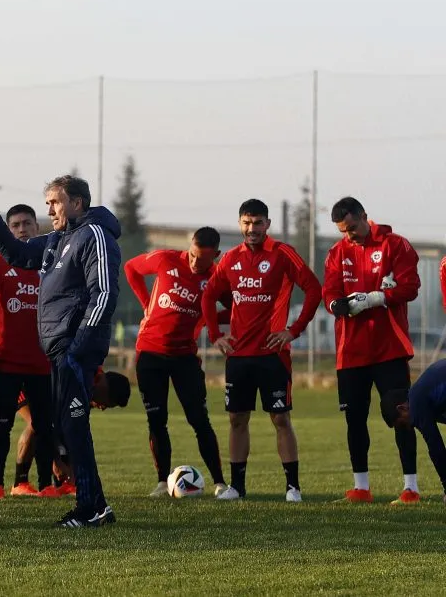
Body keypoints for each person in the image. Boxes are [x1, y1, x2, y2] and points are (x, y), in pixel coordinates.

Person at [0, 174, 126, 527]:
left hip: (76, 349)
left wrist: (79, 344)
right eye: (48, 203)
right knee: (70, 427)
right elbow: (18, 253)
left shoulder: (95, 236)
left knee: (73, 426)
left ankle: (90, 508)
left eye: (55, 202)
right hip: (59, 350)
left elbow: (103, 293)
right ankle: (97, 507)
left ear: (77, 203)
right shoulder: (60, 238)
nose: (50, 209)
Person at [202, 199, 321, 503]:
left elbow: (313, 288)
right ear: (240, 223)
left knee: (280, 419)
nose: (251, 229)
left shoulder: (282, 254)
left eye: (257, 223)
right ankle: (237, 487)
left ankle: (293, 487)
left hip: (273, 355)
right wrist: (216, 335)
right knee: (237, 420)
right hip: (239, 356)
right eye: (246, 222)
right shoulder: (230, 259)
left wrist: (293, 331)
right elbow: (208, 296)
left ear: (267, 224)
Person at [324, 196, 421, 504]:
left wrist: (376, 298)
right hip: (350, 353)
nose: (349, 235)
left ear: (365, 216)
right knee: (354, 419)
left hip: (389, 349)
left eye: (352, 227)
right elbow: (329, 291)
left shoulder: (396, 245)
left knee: (401, 415)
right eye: (343, 230)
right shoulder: (336, 253)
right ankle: (361, 488)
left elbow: (410, 287)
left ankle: (411, 488)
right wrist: (336, 305)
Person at [124, 227, 229, 497]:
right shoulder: (166, 258)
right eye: (193, 255)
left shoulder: (217, 278)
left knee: (199, 419)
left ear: (215, 255)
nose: (195, 263)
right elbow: (131, 268)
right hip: (150, 352)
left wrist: (210, 319)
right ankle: (161, 483)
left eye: (202, 260)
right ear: (189, 246)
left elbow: (236, 306)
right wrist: (146, 303)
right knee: (157, 420)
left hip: (184, 357)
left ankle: (220, 483)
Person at [0, 203, 55, 498]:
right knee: (1, 426)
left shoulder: (49, 264)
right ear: (8, 231)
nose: (22, 229)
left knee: (44, 426)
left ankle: (46, 485)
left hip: (42, 363)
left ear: (38, 228)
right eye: (16, 225)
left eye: (27, 224)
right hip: (6, 363)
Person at [380, 360, 446, 501]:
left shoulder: (416, 404)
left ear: (401, 408)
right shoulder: (422, 391)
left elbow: (436, 447)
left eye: (402, 424)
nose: (409, 427)